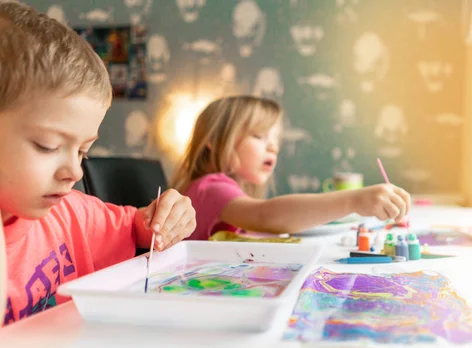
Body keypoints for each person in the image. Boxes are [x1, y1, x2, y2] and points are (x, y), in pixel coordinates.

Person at [0, 1, 196, 325]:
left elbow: (136, 229)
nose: (75, 172)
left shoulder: (70, 214)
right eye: (47, 146)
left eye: (83, 153)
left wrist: (165, 218)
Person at [171, 95, 411, 240]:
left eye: (276, 140)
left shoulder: (222, 190)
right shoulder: (210, 188)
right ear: (213, 140)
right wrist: (354, 201)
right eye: (259, 136)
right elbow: (266, 215)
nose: (273, 147)